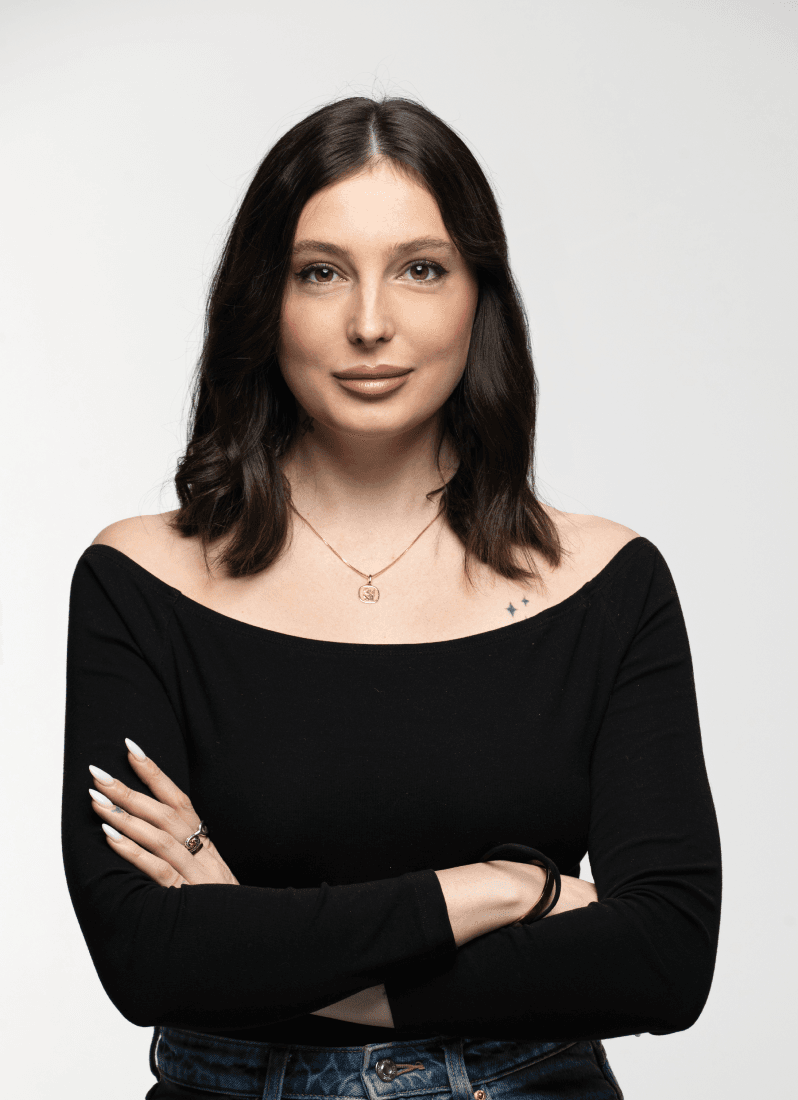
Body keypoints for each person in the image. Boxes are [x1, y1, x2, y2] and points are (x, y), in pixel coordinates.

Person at [61, 96, 722, 1099]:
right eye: (320, 272)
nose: (370, 324)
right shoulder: (140, 580)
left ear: (479, 295)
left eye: (421, 268)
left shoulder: (608, 583)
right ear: (263, 299)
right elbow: (149, 957)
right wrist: (500, 888)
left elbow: (664, 959)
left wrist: (263, 947)